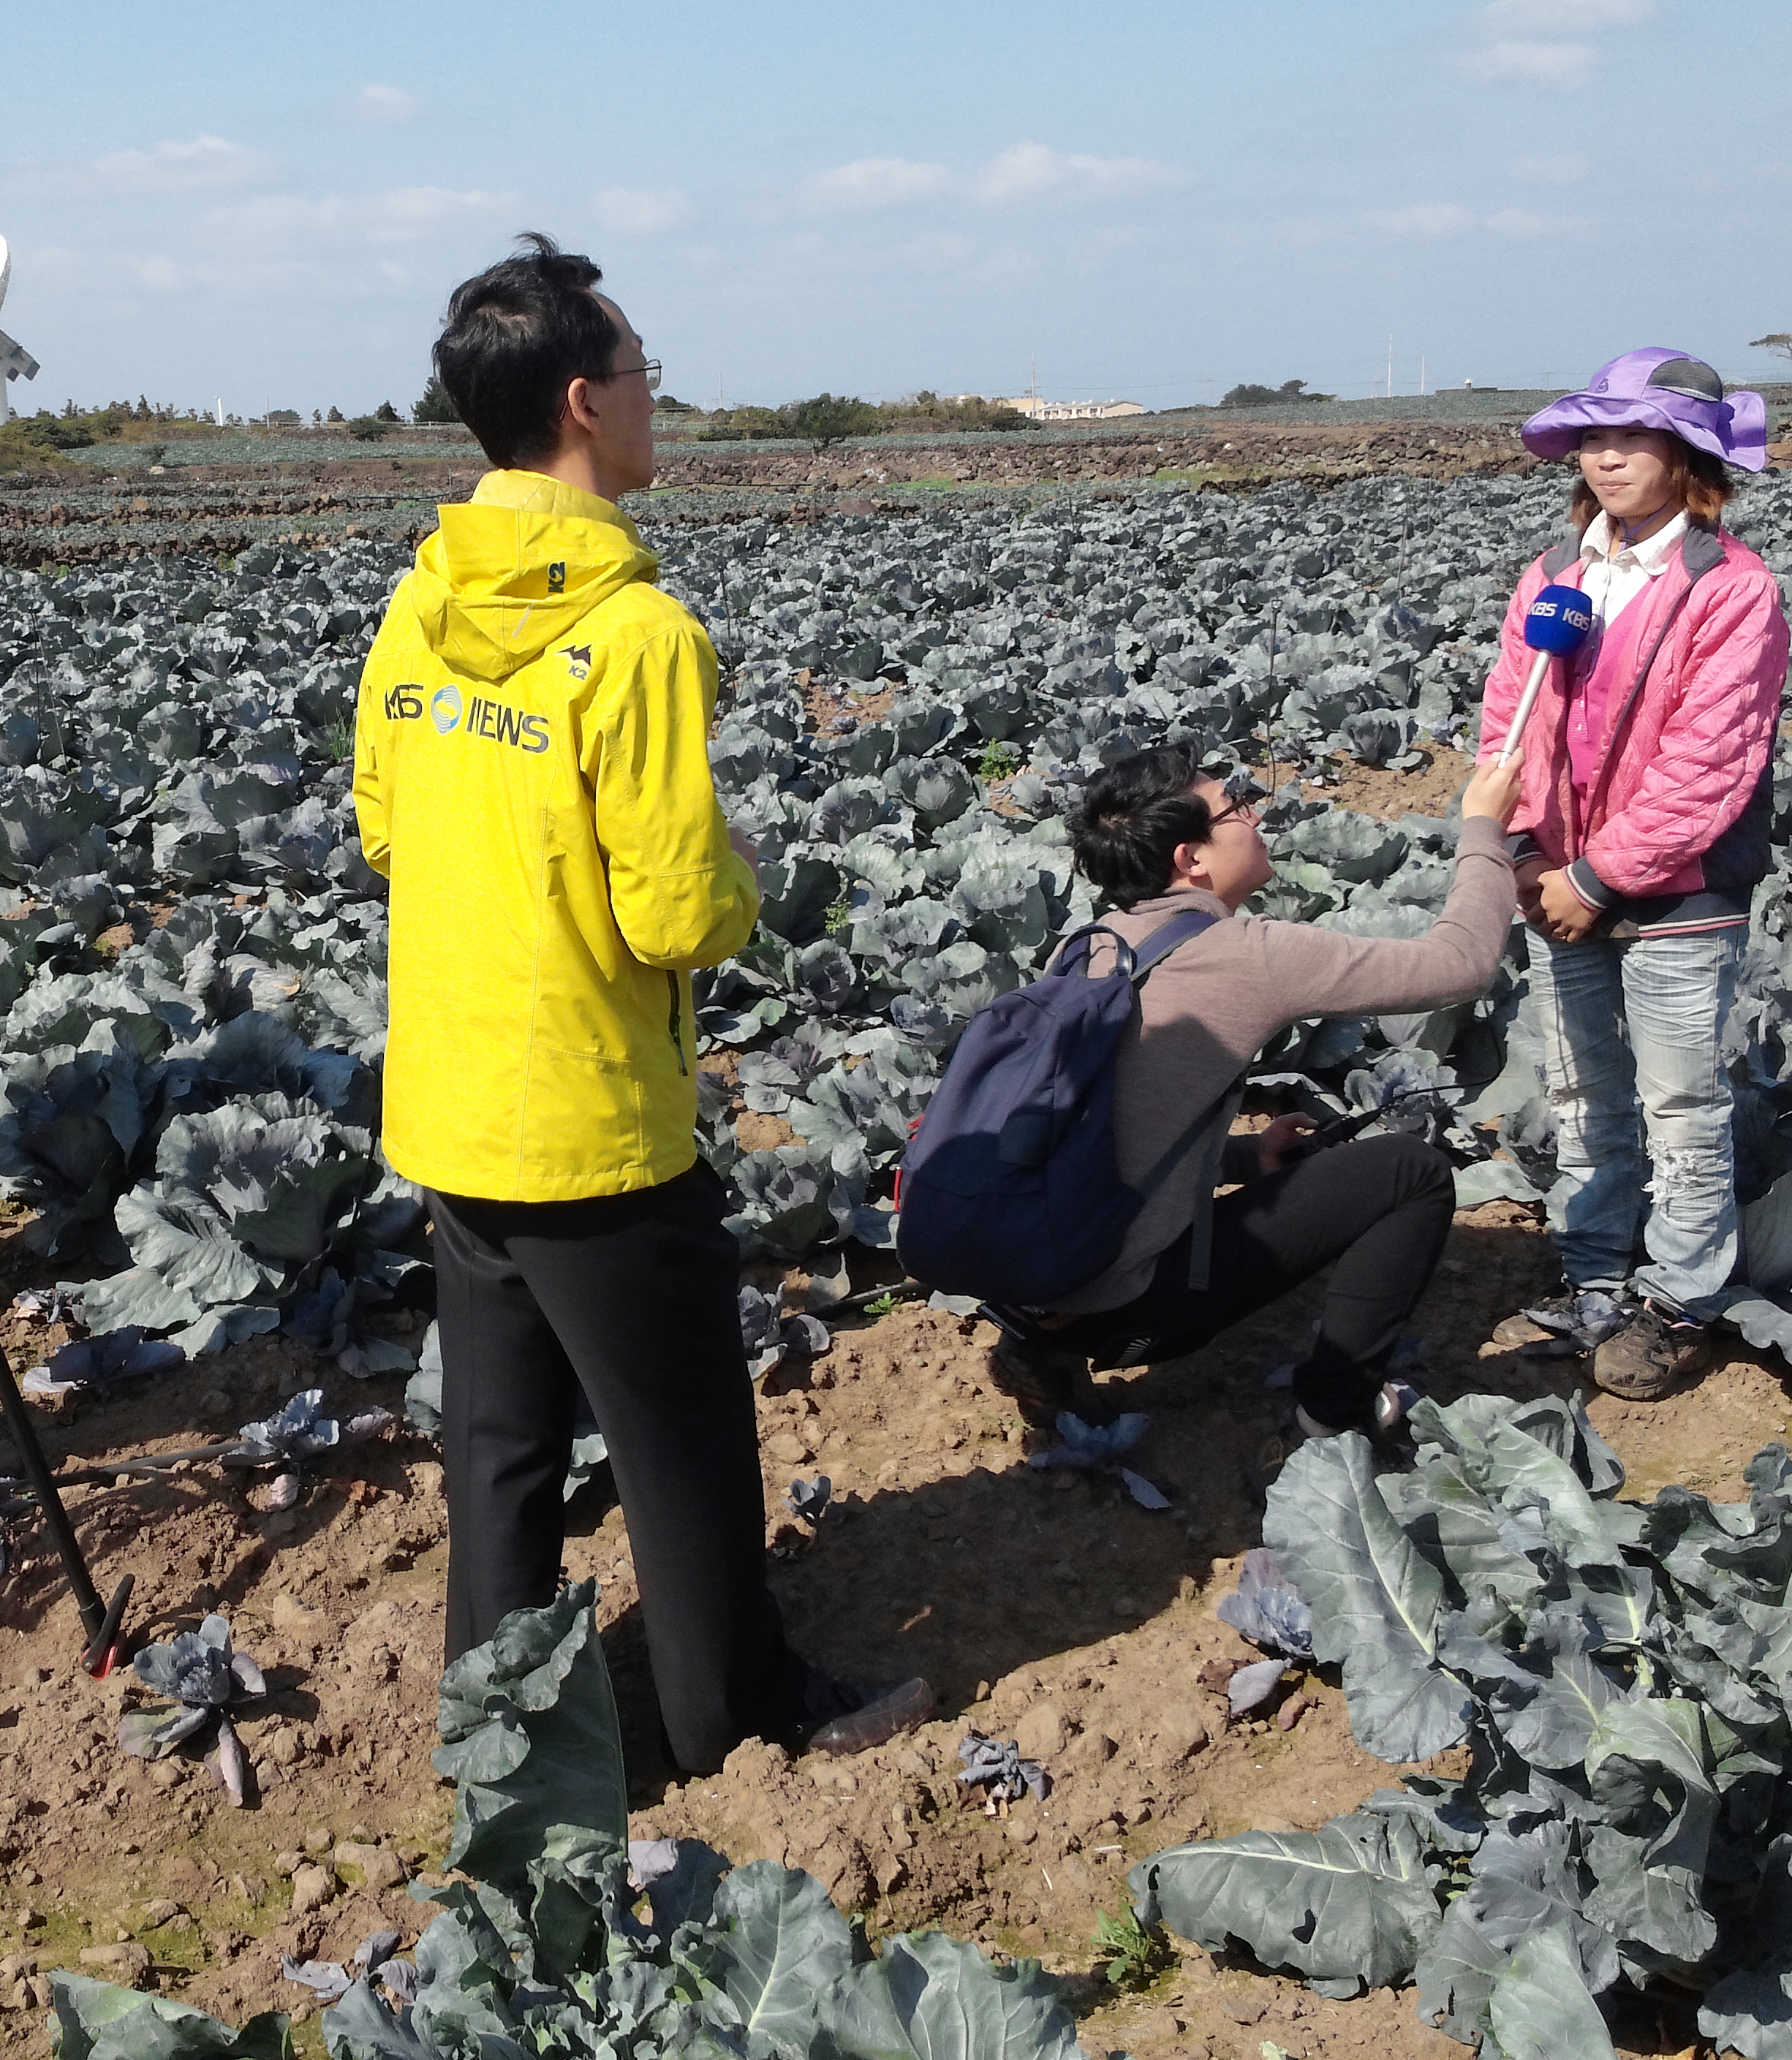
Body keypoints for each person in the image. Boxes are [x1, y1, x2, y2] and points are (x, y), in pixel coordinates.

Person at [353, 233, 929, 1773]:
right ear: (582, 405)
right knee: (680, 1447)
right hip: (596, 1120)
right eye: (641, 376)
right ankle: (727, 1721)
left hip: (457, 1104)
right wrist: (736, 873)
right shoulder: (637, 635)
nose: (653, 402)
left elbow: (383, 823)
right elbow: (675, 913)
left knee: (499, 1453)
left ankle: (498, 1745)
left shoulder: (420, 601)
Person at [986, 740, 1523, 1438]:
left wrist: (1245, 1162)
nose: (1255, 813)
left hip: (1029, 1280)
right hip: (1140, 1314)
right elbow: (1461, 965)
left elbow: (1106, 1132)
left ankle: (1048, 1343)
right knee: (1410, 1171)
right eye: (1235, 807)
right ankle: (1338, 1410)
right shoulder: (1250, 954)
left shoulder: (1088, 945)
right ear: (1192, 859)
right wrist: (1485, 827)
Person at [1478, 347, 1785, 1401]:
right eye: (1592, 440)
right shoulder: (1556, 577)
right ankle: (1597, 1271)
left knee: (1682, 1102)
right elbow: (1504, 721)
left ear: (1687, 452)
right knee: (1581, 1089)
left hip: (1677, 891)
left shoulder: (1731, 591)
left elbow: (1710, 764)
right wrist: (1523, 852)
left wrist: (1598, 879)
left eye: (1632, 438)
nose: (1606, 459)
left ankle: (1680, 1301)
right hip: (1552, 877)